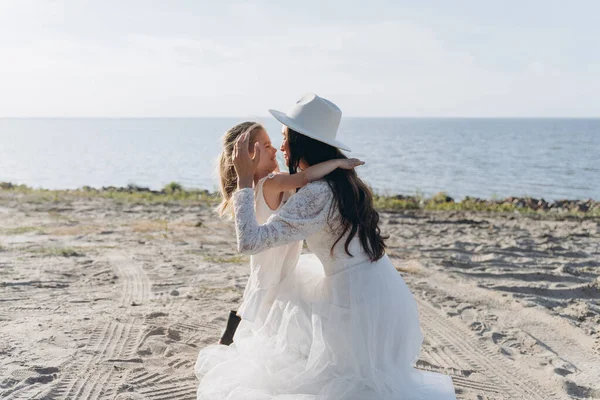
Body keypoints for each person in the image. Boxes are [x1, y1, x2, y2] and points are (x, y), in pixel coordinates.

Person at [196, 93, 457, 399]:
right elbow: (301, 181)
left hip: (357, 300)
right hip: (383, 288)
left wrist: (243, 181)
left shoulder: (316, 193)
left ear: (300, 142)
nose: (280, 148)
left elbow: (251, 240)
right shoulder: (344, 179)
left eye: (284, 139)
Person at [215, 121, 364, 344]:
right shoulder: (271, 182)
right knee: (267, 309)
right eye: (266, 146)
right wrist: (336, 162)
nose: (275, 149)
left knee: (257, 302)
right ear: (247, 158)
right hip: (276, 260)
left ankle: (230, 339)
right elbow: (305, 178)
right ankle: (235, 341)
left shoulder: (258, 185)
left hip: (268, 259)